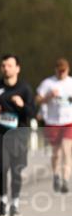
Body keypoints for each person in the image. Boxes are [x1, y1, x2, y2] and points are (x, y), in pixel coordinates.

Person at [0, 54, 36, 216]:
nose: (6, 69)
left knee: (16, 169)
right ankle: (3, 201)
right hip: (0, 133)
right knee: (2, 167)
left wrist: (22, 105)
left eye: (9, 65)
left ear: (17, 68)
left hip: (19, 134)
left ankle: (15, 202)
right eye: (3, 66)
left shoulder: (25, 88)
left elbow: (32, 112)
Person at [36, 58, 72, 194]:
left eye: (64, 71)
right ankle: (56, 175)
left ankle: (65, 180)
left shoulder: (71, 83)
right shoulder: (48, 83)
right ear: (55, 70)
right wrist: (49, 96)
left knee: (66, 150)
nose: (61, 73)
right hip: (53, 122)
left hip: (68, 121)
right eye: (59, 71)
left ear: (68, 70)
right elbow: (38, 99)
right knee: (56, 153)